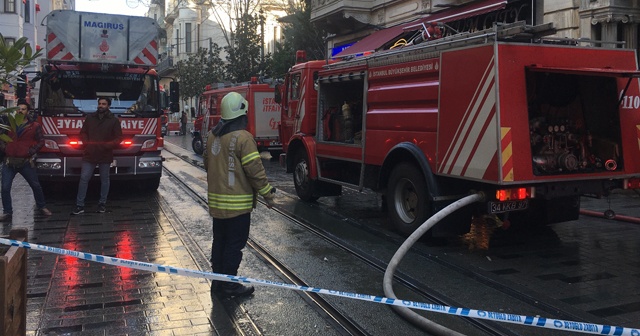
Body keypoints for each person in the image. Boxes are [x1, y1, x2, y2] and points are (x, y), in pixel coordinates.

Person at [203, 92, 276, 299]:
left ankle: (218, 282)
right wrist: (267, 195)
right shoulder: (243, 138)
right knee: (234, 245)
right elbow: (255, 170)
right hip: (238, 206)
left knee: (220, 242)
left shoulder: (211, 135)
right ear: (241, 113)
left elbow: (207, 164)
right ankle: (230, 285)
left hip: (217, 205)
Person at [0, 101, 52, 221]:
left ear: (27, 111)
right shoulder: (10, 124)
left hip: (25, 162)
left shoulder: (34, 126)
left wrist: (30, 152)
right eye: (19, 109)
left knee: (35, 185)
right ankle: (7, 212)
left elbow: (41, 141)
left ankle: (42, 206)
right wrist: (5, 148)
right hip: (9, 161)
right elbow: (1, 137)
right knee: (5, 188)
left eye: (23, 109)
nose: (20, 111)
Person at [72, 97, 122, 215]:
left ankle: (102, 204)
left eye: (103, 104)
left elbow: (119, 138)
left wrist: (107, 145)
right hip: (90, 153)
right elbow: (83, 132)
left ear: (108, 106)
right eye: (99, 103)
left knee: (104, 180)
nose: (101, 106)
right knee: (84, 178)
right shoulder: (90, 118)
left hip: (105, 154)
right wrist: (86, 143)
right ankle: (79, 205)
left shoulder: (114, 121)